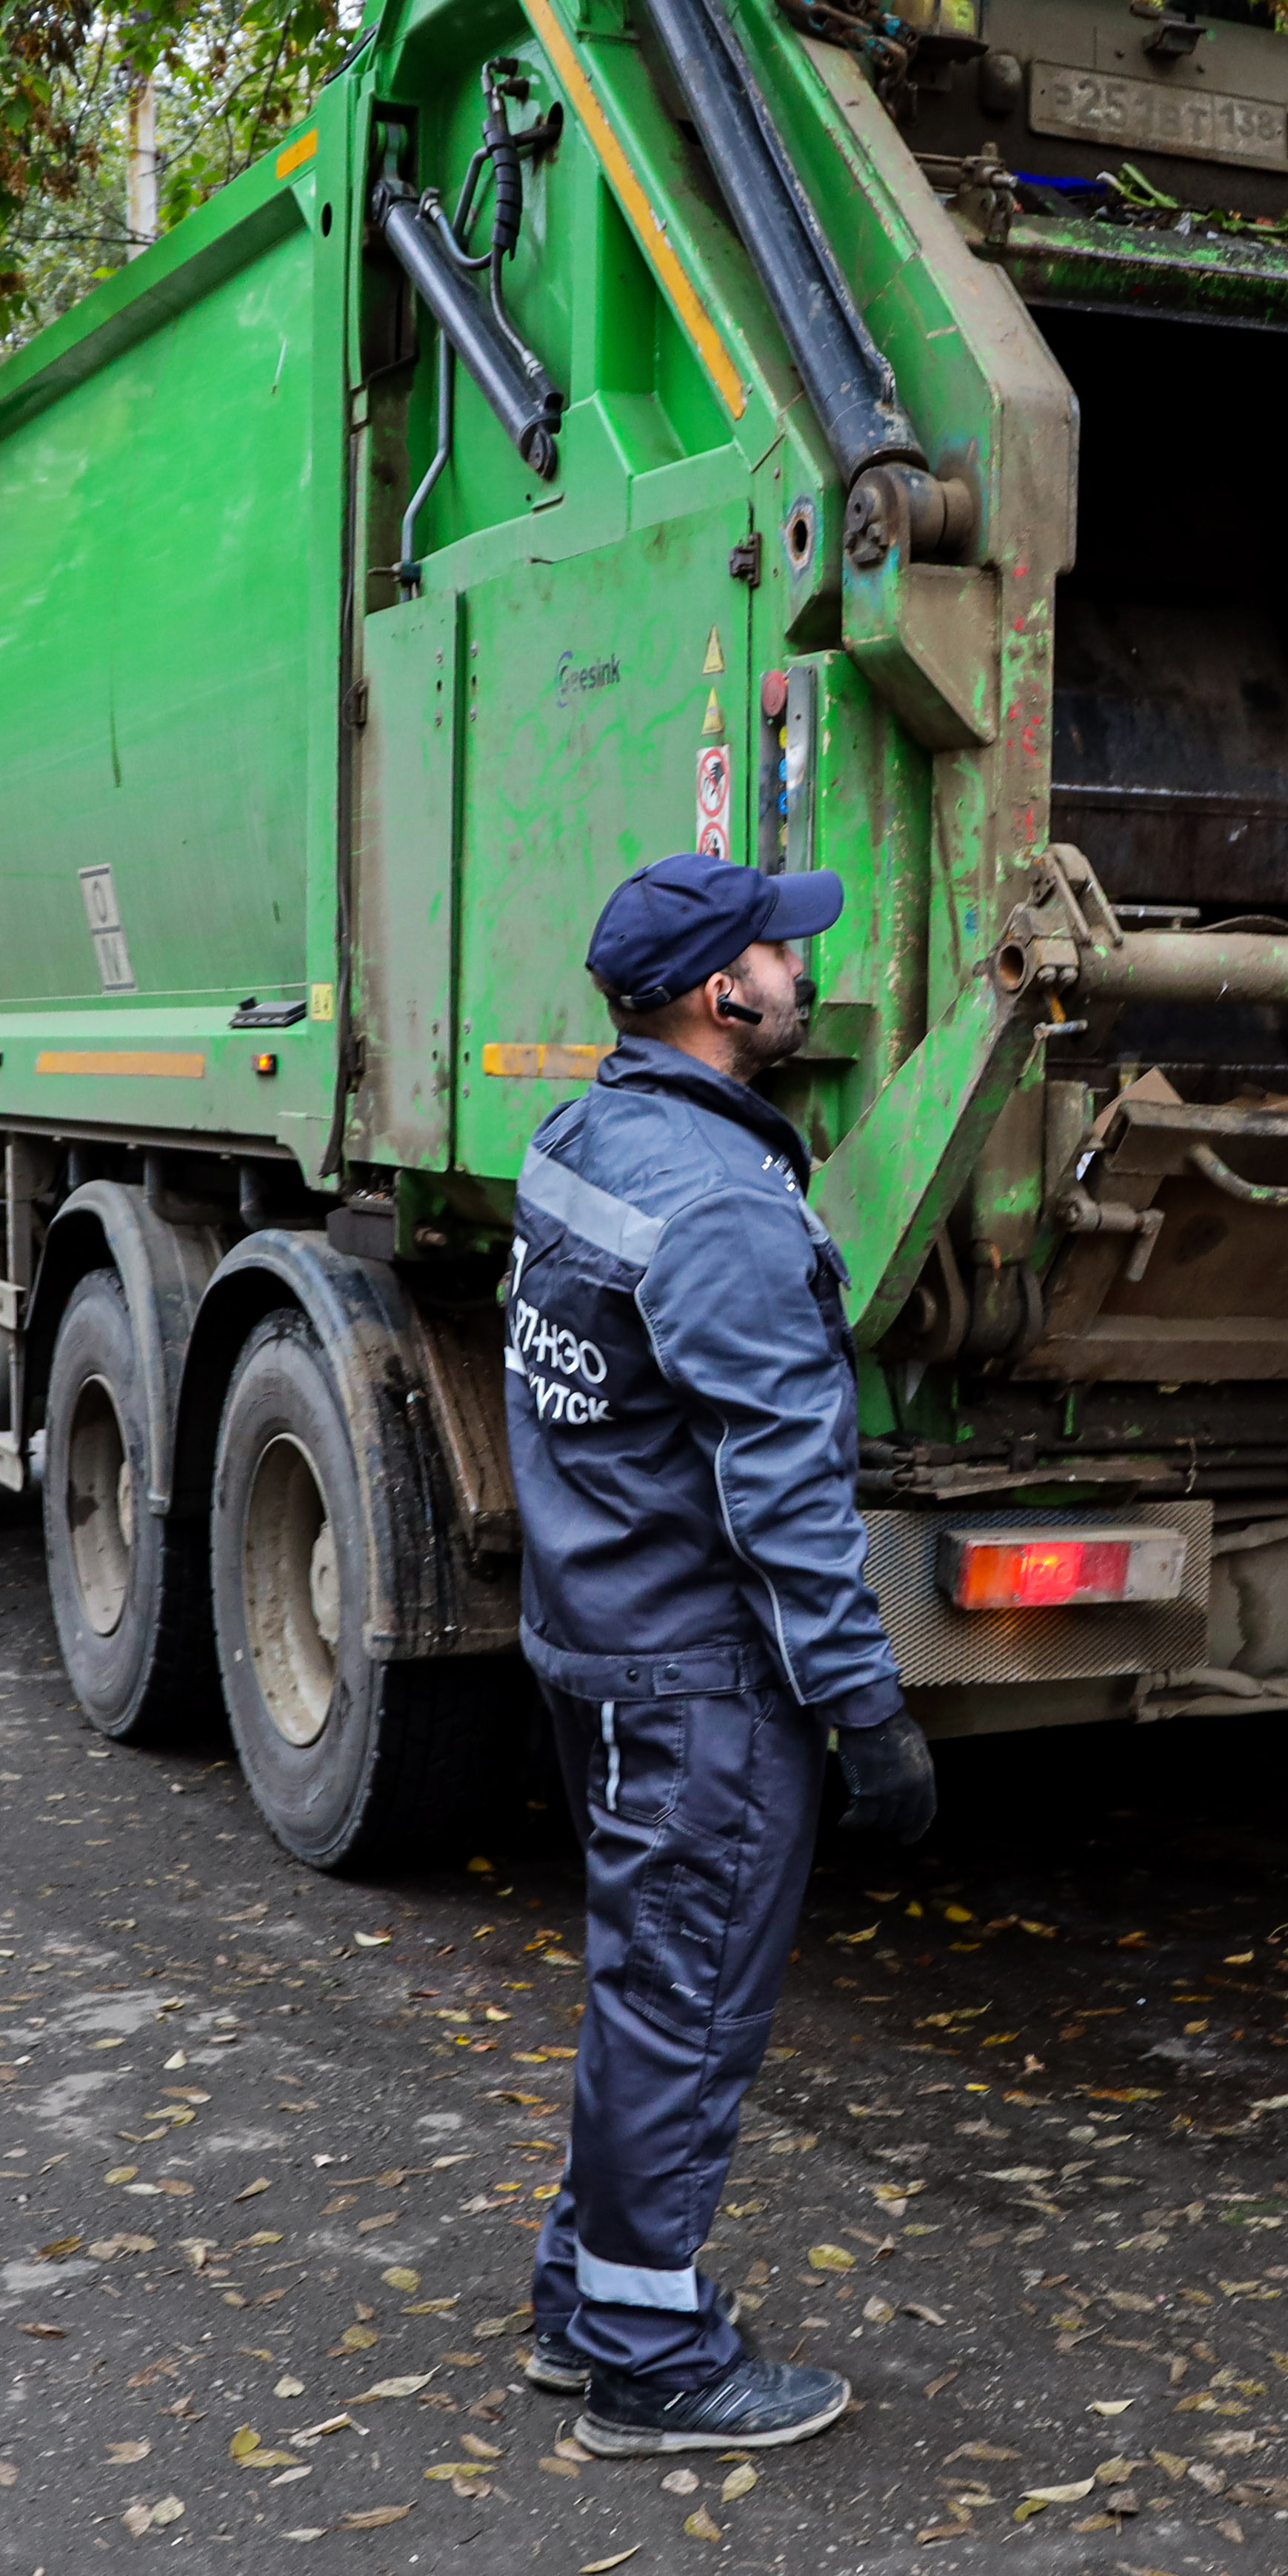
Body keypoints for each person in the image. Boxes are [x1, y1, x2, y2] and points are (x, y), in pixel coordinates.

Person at [499, 851, 940, 2455]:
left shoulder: (578, 1143)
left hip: (599, 1641)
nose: (794, 962)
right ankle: (648, 2366)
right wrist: (864, 1704)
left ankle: (582, 2305)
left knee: (643, 1990)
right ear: (717, 995)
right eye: (774, 947)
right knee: (684, 2007)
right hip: (697, 1681)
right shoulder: (723, 1214)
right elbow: (785, 1496)